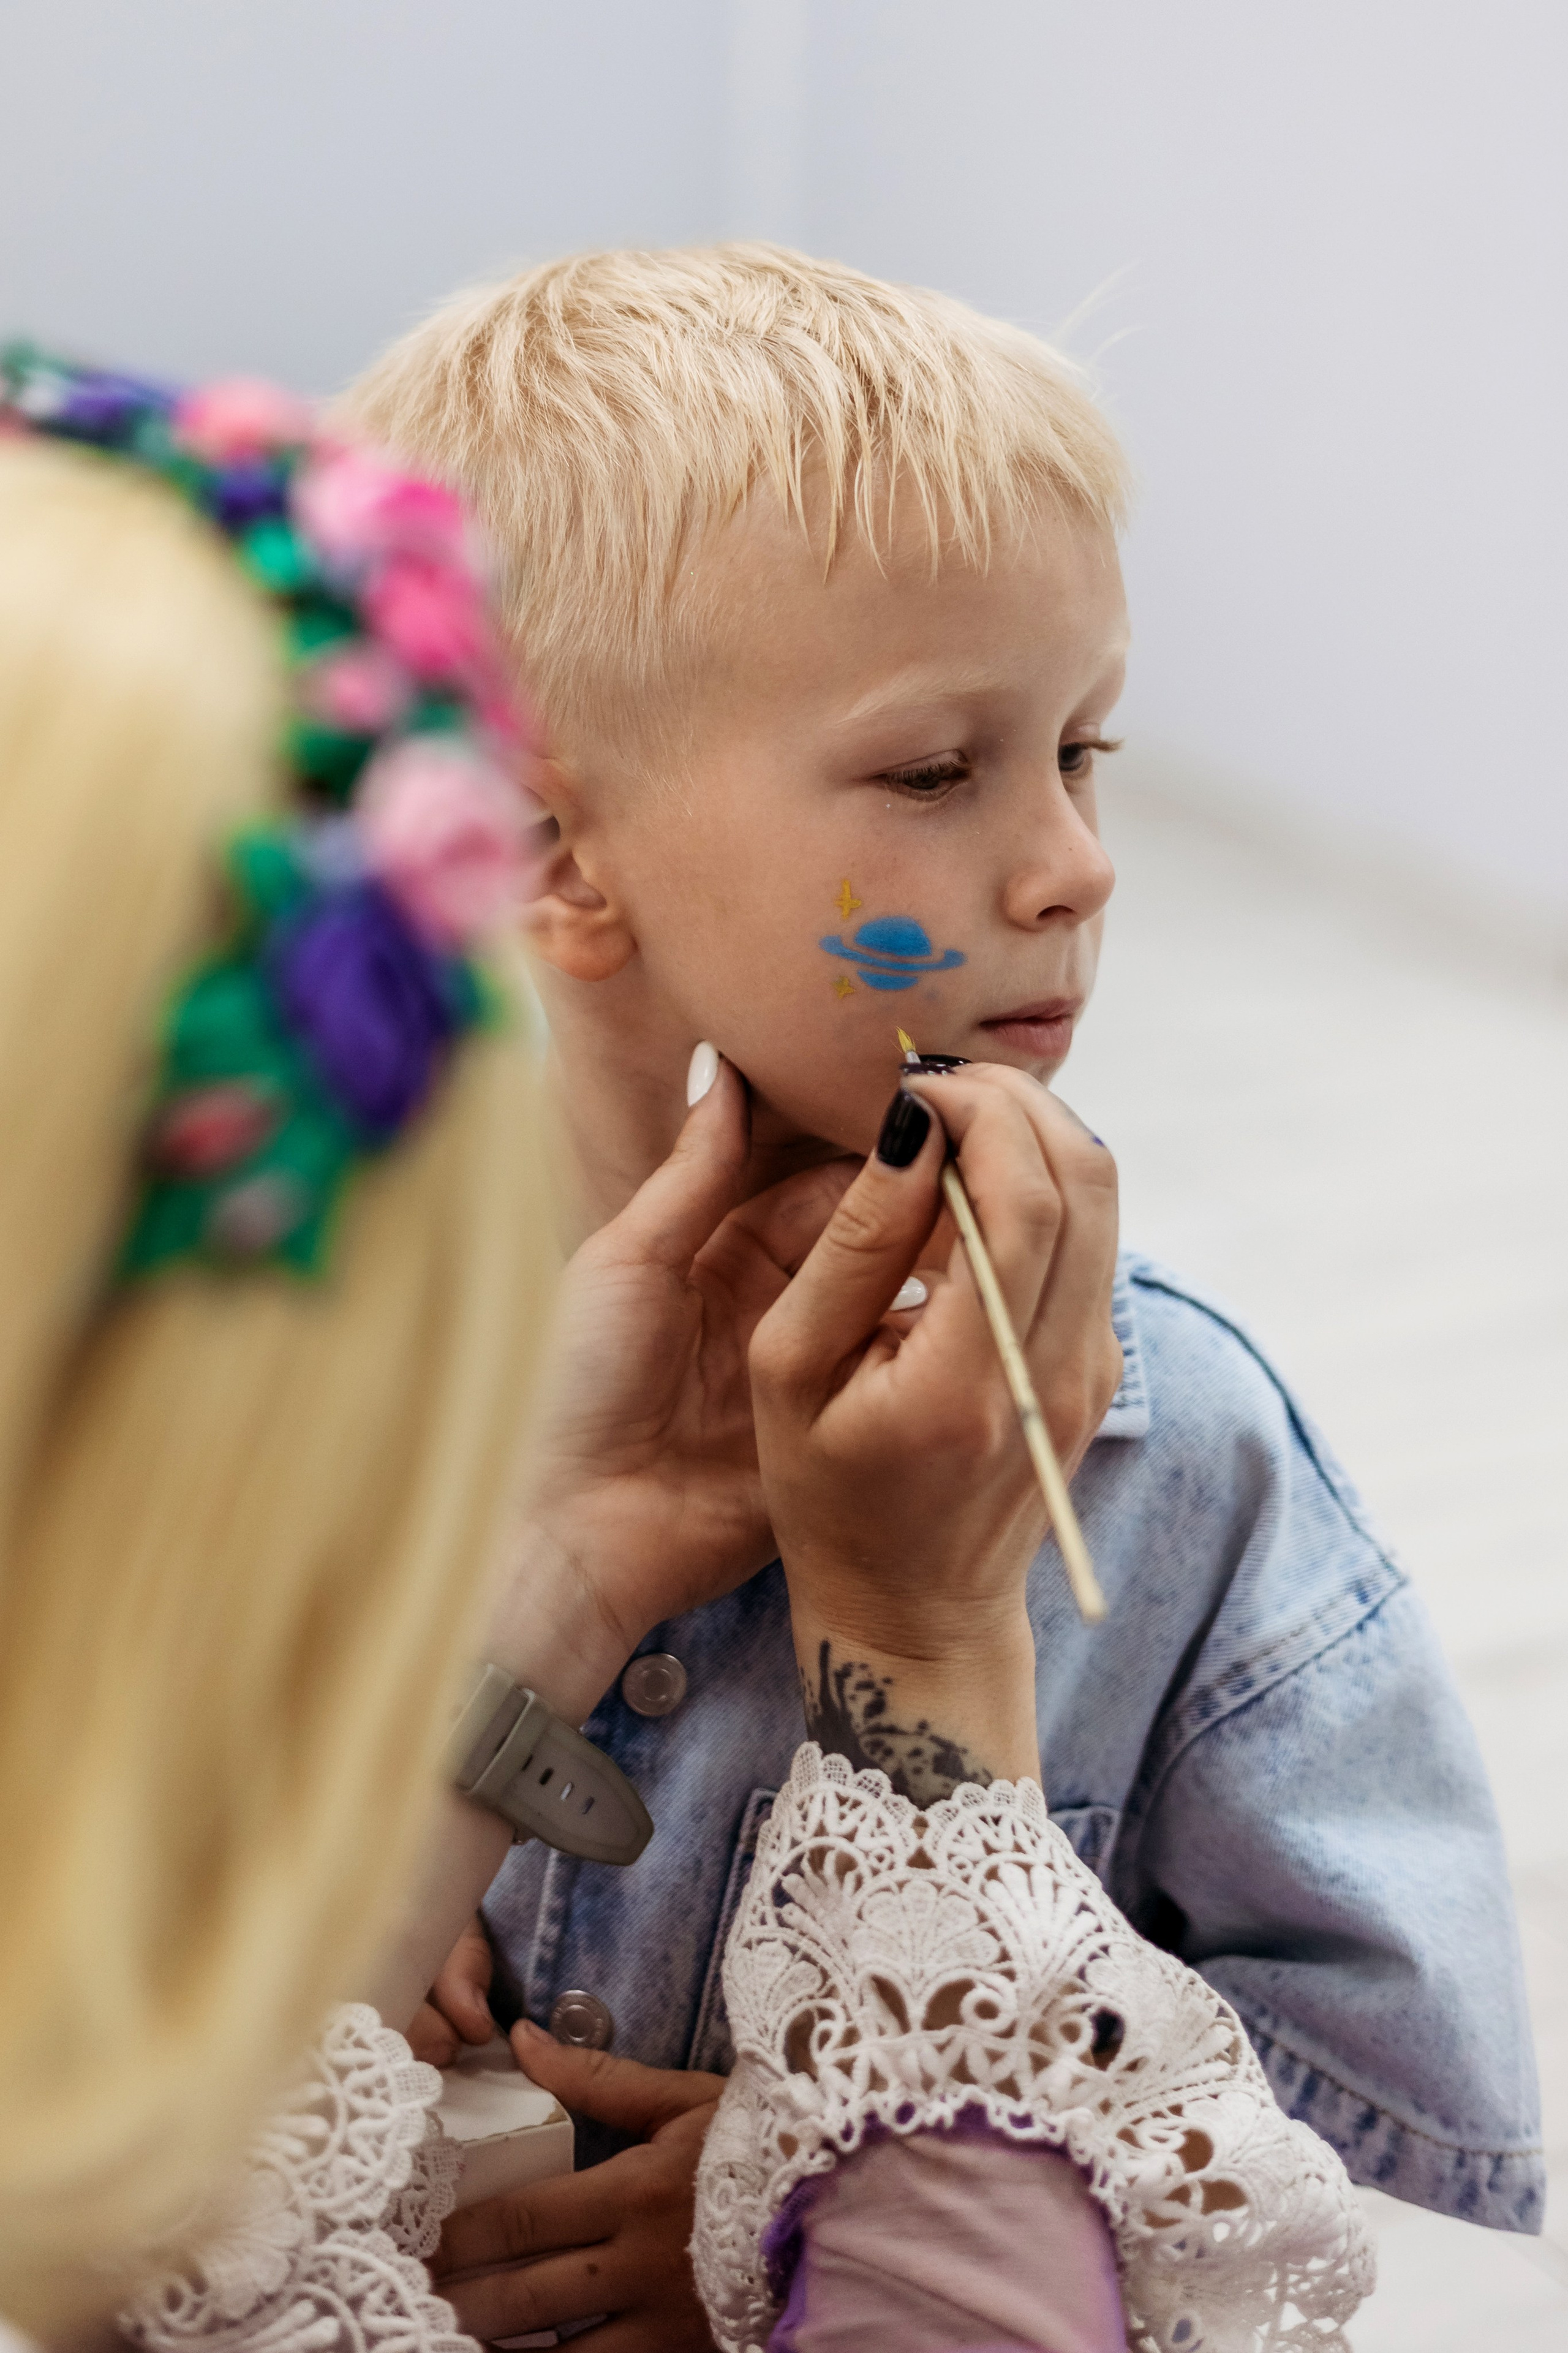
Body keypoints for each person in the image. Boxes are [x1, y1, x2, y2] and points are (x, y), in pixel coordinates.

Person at [338, 243, 1541, 2345]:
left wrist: (861, 2192)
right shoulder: (292, 1392)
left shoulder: (1183, 1456)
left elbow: (1423, 2179)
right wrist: (374, 1847)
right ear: (550, 850)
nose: (1074, 859)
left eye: (1085, 748)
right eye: (936, 771)